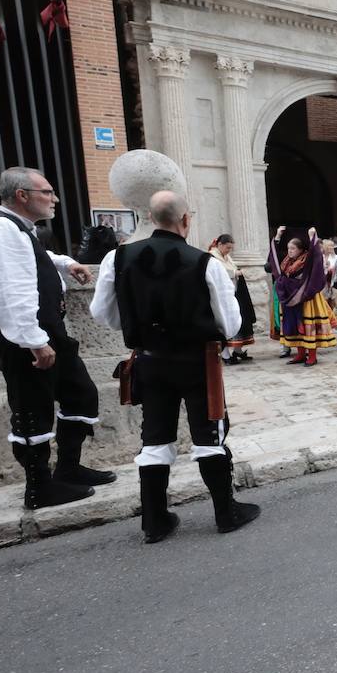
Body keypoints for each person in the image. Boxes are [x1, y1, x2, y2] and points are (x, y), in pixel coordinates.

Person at [90, 190, 260, 543]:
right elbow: (229, 323)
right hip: (198, 361)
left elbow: (102, 313)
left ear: (151, 218)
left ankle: (155, 521)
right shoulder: (205, 263)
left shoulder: (117, 259)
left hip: (149, 360)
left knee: (154, 438)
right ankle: (225, 513)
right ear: (186, 220)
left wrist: (140, 327)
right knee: (209, 436)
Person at [0, 166, 114, 509]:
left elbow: (30, 256)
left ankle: (68, 469)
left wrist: (64, 263)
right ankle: (39, 488)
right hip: (26, 340)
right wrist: (33, 340)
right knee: (33, 409)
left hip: (47, 333)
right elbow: (9, 290)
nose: (54, 199)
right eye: (47, 192)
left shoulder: (14, 228)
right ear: (22, 196)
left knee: (80, 394)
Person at [269, 225, 337, 366]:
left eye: (293, 248)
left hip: (306, 297)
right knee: (294, 326)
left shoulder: (307, 260)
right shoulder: (287, 261)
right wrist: (277, 237)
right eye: (288, 248)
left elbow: (316, 255)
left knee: (308, 326)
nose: (290, 251)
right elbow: (273, 257)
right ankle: (300, 354)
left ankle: (312, 356)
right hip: (289, 298)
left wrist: (313, 237)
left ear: (300, 250)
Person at [208, 234, 256, 363]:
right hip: (221, 297)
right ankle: (225, 355)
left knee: (238, 321)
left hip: (233, 294)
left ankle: (238, 350)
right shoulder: (212, 257)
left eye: (231, 248)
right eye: (227, 247)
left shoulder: (226, 257)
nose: (229, 250)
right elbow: (218, 273)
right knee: (224, 324)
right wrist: (234, 273)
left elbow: (232, 268)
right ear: (220, 245)